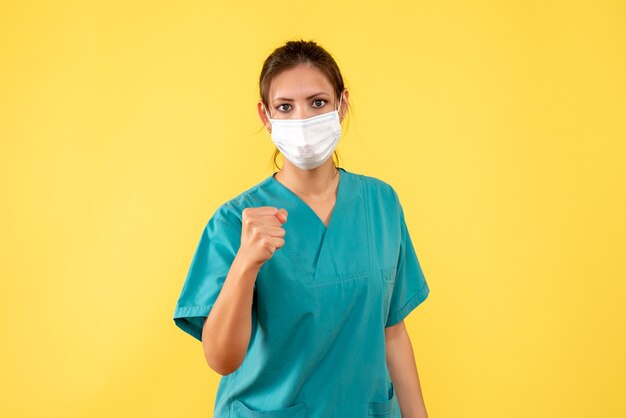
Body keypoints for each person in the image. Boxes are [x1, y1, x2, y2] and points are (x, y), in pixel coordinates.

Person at [173, 39, 431, 418]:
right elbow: (222, 359)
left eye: (317, 102)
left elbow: (392, 332)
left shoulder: (381, 203)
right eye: (285, 107)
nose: (303, 121)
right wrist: (246, 263)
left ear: (342, 105)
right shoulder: (235, 222)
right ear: (266, 116)